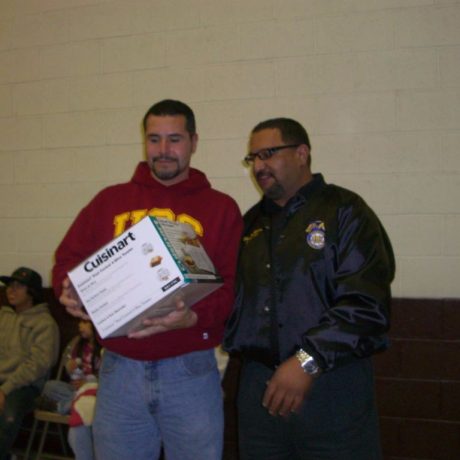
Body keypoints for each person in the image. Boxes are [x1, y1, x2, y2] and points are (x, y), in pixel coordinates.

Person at [52, 99, 243, 460]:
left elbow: (233, 289)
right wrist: (69, 289)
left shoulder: (221, 208)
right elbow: (68, 261)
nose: (164, 151)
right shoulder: (108, 202)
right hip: (120, 368)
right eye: (154, 139)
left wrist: (194, 317)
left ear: (194, 141)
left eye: (174, 139)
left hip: (190, 368)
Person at [224, 118, 395, 460]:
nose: (259, 166)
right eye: (253, 158)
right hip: (260, 392)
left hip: (331, 387)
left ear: (302, 153)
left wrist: (307, 360)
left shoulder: (345, 211)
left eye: (268, 153)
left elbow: (366, 304)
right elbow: (230, 301)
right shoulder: (249, 225)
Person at [0, 267, 59, 459]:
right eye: (10, 285)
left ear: (31, 292)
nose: (11, 290)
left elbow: (37, 365)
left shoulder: (45, 324)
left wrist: (5, 389)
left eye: (18, 286)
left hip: (25, 387)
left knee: (8, 417)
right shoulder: (3, 316)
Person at [37, 319, 101, 460]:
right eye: (79, 323)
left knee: (90, 400)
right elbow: (71, 372)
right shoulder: (78, 344)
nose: (80, 326)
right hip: (74, 390)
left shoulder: (103, 349)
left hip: (94, 392)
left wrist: (87, 380)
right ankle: (71, 404)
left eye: (84, 323)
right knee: (49, 386)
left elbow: (105, 379)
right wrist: (70, 367)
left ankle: (61, 407)